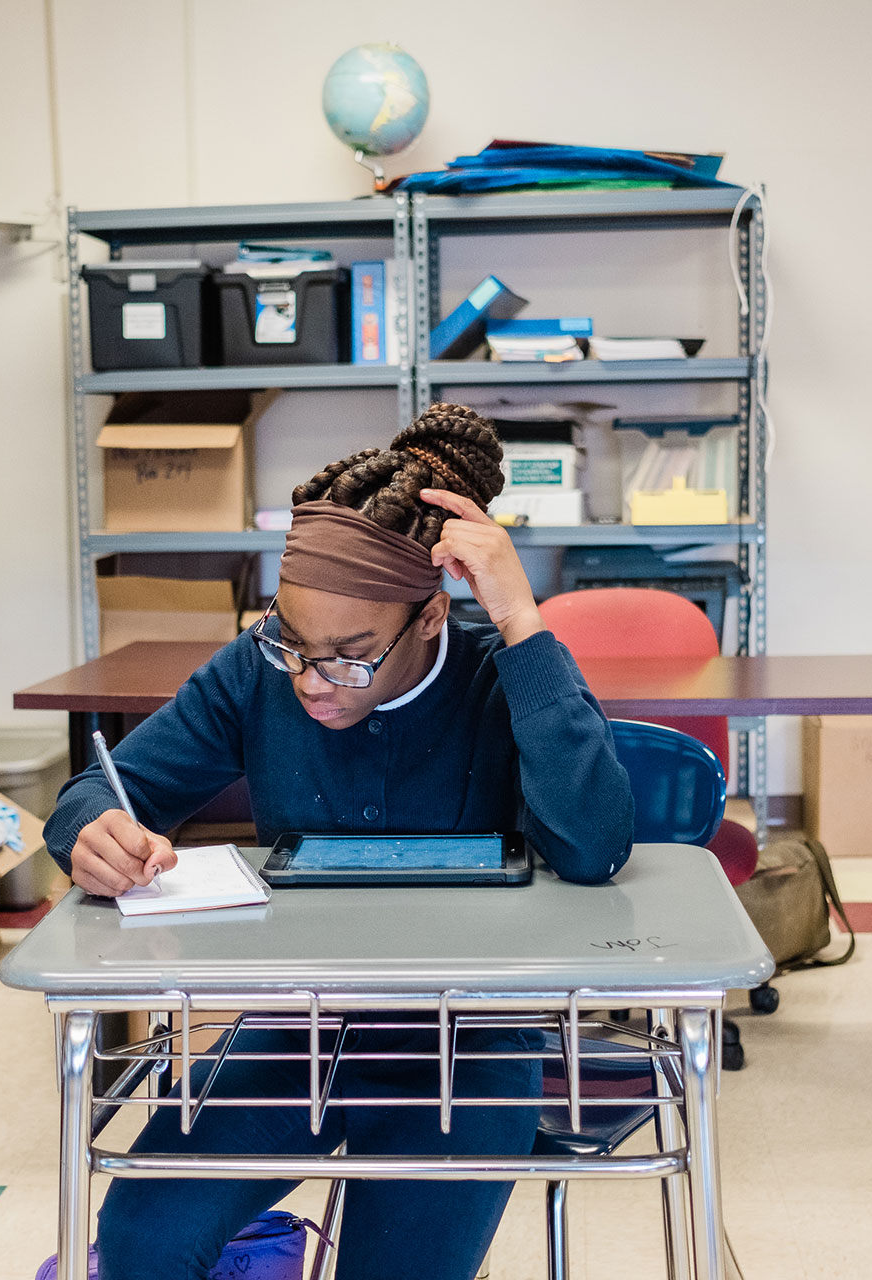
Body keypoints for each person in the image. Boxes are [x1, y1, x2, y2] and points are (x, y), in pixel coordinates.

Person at [45, 403, 634, 1280]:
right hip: (303, 1027)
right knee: (143, 1236)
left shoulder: (495, 676)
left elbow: (592, 845)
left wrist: (520, 619)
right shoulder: (258, 669)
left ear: (432, 616)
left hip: (470, 1040)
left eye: (349, 654)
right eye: (293, 641)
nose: (311, 681)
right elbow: (107, 787)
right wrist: (88, 829)